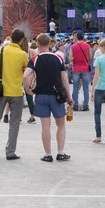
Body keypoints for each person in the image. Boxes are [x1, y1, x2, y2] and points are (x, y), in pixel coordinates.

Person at [23, 33, 74, 162]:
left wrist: (28, 89)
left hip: (41, 95)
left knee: (45, 127)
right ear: (50, 44)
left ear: (38, 44)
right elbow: (64, 78)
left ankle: (48, 154)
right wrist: (69, 96)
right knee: (61, 125)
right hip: (57, 95)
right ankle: (61, 152)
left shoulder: (35, 59)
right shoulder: (58, 58)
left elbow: (25, 76)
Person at [0, 28, 29, 160]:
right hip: (16, 91)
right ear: (21, 40)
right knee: (14, 123)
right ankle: (10, 152)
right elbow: (25, 70)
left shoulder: (2, 50)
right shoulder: (22, 54)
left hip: (1, 90)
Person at [69, 31, 92, 111]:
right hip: (85, 68)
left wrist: (76, 59)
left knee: (75, 87)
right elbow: (90, 56)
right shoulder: (87, 46)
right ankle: (86, 105)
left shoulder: (73, 46)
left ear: (76, 37)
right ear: (83, 37)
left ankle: (75, 105)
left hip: (76, 68)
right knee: (86, 88)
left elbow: (70, 58)